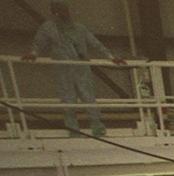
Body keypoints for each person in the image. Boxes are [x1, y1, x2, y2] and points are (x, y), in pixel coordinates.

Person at [22, 1, 126, 137]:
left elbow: (96, 43)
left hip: (81, 67)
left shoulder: (79, 28)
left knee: (88, 97)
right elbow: (39, 42)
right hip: (63, 69)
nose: (64, 13)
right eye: (60, 10)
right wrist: (34, 54)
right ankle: (73, 130)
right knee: (67, 99)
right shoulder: (48, 28)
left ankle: (98, 129)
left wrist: (111, 57)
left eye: (65, 10)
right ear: (54, 12)